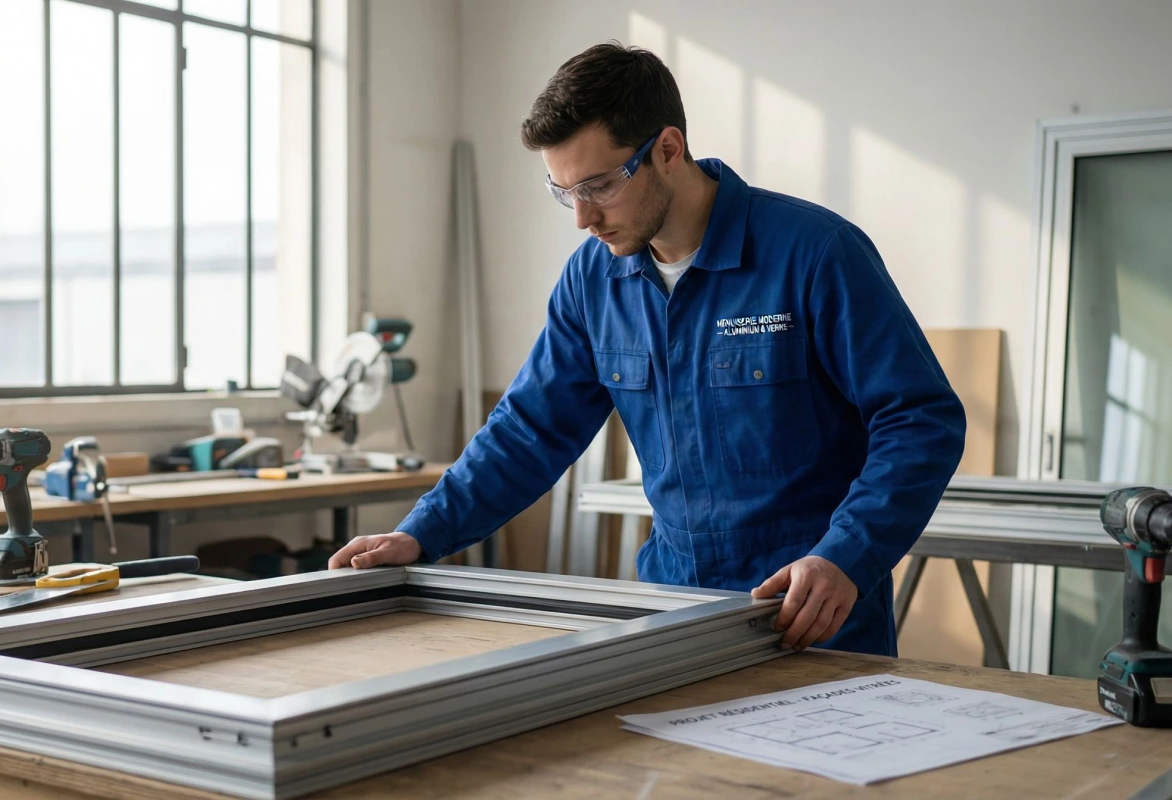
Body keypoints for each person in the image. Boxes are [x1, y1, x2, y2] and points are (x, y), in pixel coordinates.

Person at [327, 42, 966, 657]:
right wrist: (421, 534)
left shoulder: (815, 253)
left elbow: (919, 420)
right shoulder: (593, 281)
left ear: (667, 149)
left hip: (811, 613)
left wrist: (846, 556)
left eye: (599, 185)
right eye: (563, 192)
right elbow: (529, 431)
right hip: (672, 611)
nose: (582, 217)